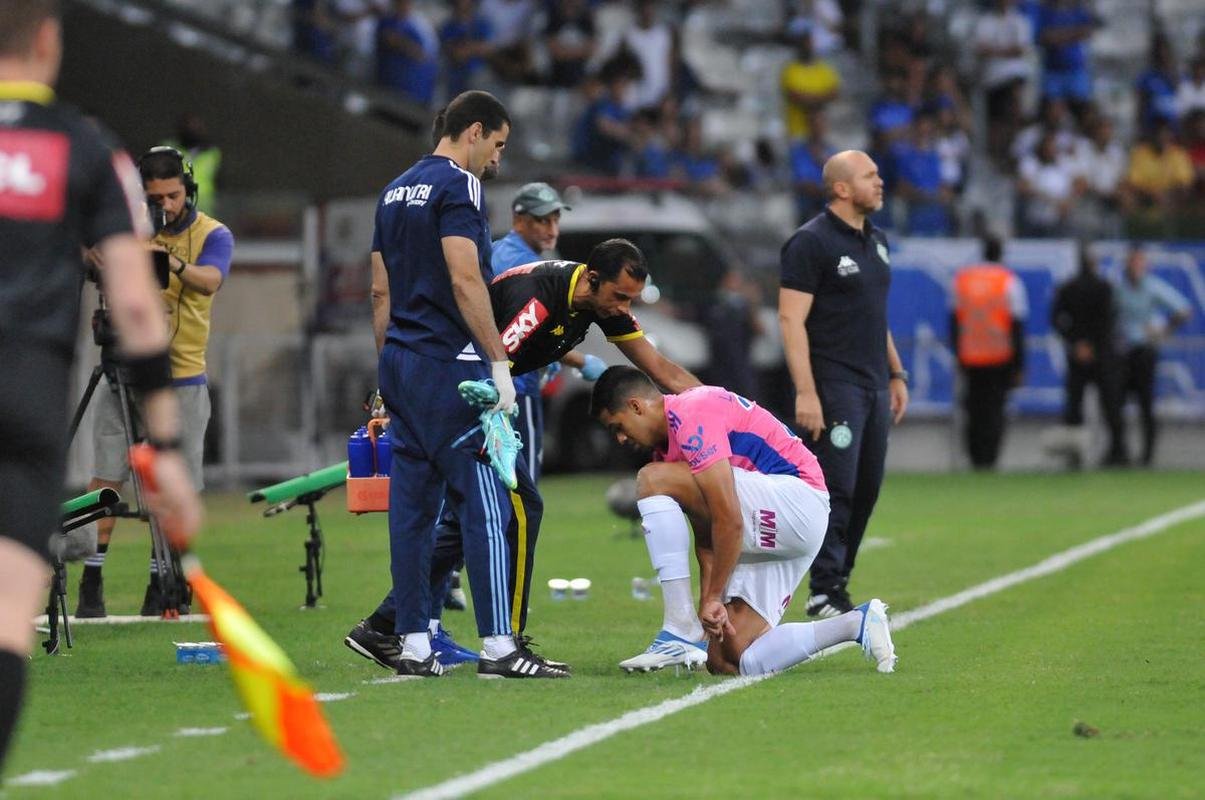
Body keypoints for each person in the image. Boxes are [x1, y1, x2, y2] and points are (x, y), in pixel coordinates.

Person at [0, 0, 201, 772]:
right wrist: (171, 448)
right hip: (25, 396)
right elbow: (137, 303)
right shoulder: (85, 149)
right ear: (48, 42)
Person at [348, 239, 701, 671]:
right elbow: (486, 358)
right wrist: (490, 417)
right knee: (516, 508)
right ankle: (505, 645)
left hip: (474, 394)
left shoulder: (597, 302)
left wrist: (718, 408)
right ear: (592, 279)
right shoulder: (536, 299)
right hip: (457, 394)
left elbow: (660, 368)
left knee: (465, 522)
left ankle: (387, 622)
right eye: (620, 296)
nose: (624, 307)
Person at [358, 89, 565, 679]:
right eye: (497, 145)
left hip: (400, 360)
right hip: (451, 365)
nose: (496, 161)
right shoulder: (459, 186)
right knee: (489, 499)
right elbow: (465, 278)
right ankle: (500, 645)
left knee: (413, 509)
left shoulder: (393, 189)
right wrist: (499, 365)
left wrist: (390, 371)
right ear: (473, 131)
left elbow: (380, 291)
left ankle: (414, 645)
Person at [589, 367, 897, 677]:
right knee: (727, 659)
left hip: (795, 499)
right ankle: (856, 623)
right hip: (785, 525)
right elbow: (707, 540)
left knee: (650, 480)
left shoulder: (689, 412)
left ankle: (678, 627)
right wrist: (709, 606)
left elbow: (730, 520)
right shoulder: (668, 455)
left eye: (618, 426)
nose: (620, 438)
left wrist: (709, 600)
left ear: (636, 406)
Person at [75, 144, 233, 618]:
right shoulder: (124, 228)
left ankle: (161, 583)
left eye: (171, 195)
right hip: (120, 371)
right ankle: (91, 580)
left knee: (170, 484)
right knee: (105, 478)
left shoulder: (213, 233)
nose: (163, 205)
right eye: (154, 197)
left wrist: (167, 261)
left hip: (181, 377)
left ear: (189, 191)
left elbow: (211, 280)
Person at [777, 150, 909, 619]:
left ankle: (838, 582)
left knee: (868, 487)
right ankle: (824, 588)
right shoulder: (809, 244)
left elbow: (876, 315)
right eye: (870, 175)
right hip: (835, 384)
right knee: (838, 485)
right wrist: (806, 390)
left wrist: (896, 372)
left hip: (874, 383)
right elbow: (791, 320)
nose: (880, 182)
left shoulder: (877, 240)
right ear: (841, 189)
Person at [950, 236, 1028, 469]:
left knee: (973, 409)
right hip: (999, 355)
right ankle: (990, 458)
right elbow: (1017, 325)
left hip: (970, 355)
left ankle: (974, 457)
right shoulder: (1008, 281)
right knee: (994, 410)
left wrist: (958, 352)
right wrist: (1019, 365)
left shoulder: (964, 280)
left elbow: (954, 320)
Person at [1114, 248, 1192, 466]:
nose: (1137, 267)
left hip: (1144, 350)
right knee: (1116, 402)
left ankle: (1147, 454)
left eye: (1140, 262)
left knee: (1145, 403)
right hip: (1122, 352)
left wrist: (1164, 329)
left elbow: (1183, 308)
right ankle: (1119, 451)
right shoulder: (1119, 289)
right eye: (1133, 262)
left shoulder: (1152, 286)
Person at [1051, 247, 1127, 466]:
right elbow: (1108, 321)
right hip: (1102, 353)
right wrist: (1093, 345)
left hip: (1077, 354)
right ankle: (1117, 452)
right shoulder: (1105, 288)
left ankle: (1074, 455)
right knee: (1110, 404)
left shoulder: (1067, 288)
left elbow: (1056, 320)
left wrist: (1076, 343)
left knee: (1074, 406)